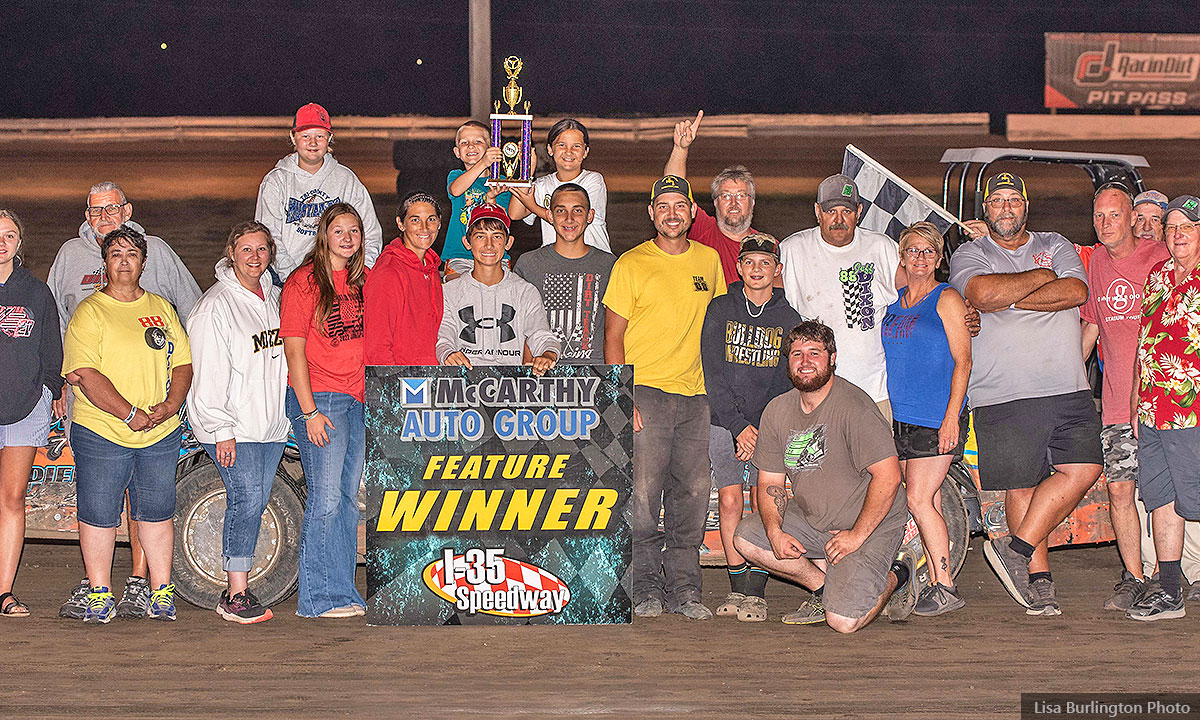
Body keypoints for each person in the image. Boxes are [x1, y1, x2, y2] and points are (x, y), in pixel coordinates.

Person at [950, 172, 1102, 617]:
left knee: (1086, 467)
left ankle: (1014, 550)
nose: (1006, 208)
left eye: (1013, 200)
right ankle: (1038, 580)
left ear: (1026, 206)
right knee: (1023, 485)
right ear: (985, 209)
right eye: (997, 201)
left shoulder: (1055, 242)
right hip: (1003, 391)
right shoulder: (971, 252)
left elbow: (1075, 291)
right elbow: (981, 293)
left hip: (1068, 385)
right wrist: (1039, 277)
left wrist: (1008, 298)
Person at [49, 180, 201, 619]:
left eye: (112, 209)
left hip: (156, 423)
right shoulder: (73, 269)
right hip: (97, 417)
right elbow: (59, 332)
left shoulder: (160, 271)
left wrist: (171, 403)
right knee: (99, 505)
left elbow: (189, 330)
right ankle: (98, 588)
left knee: (152, 507)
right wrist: (59, 381)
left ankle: (147, 584)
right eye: (95, 211)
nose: (104, 218)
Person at [732, 320, 920, 633]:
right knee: (746, 538)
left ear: (832, 359)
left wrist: (856, 535)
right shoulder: (777, 411)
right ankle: (823, 590)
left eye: (815, 353)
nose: (805, 361)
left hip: (869, 524)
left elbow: (889, 478)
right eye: (797, 354)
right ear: (788, 362)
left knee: (843, 622)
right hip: (815, 521)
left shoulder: (854, 406)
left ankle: (898, 574)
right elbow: (769, 483)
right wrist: (775, 532)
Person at [603, 175, 726, 620]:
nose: (672, 214)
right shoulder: (631, 263)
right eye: (663, 206)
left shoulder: (709, 261)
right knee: (641, 497)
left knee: (692, 495)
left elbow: (719, 328)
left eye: (680, 206)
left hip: (696, 396)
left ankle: (686, 589)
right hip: (647, 391)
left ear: (692, 212)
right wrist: (623, 395)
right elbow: (612, 335)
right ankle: (645, 588)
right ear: (651, 213)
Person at [186, 221, 288, 624]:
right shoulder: (215, 306)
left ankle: (235, 589)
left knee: (257, 502)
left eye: (262, 249)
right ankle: (236, 594)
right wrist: (221, 430)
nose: (254, 257)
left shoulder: (275, 298)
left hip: (270, 425)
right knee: (246, 500)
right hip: (232, 426)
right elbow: (208, 374)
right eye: (246, 249)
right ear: (231, 253)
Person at [699, 232, 800, 622]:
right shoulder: (720, 308)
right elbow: (713, 372)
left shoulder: (789, 319)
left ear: (777, 269)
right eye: (750, 263)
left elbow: (785, 380)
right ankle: (737, 585)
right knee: (729, 501)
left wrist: (758, 429)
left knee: (764, 502)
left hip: (768, 427)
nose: (757, 270)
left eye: (765, 263)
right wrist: (738, 426)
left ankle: (756, 593)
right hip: (723, 421)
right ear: (739, 267)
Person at [1078, 184, 1169, 612]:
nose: (1105, 223)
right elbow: (1093, 324)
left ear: (1132, 218)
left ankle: (1167, 575)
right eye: (1099, 216)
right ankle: (1134, 576)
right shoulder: (1096, 261)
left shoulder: (1160, 257)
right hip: (1115, 402)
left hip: (1158, 400)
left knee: (1163, 492)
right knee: (1119, 490)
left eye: (1114, 215)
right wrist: (1068, 378)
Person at [281, 202, 369, 618]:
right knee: (327, 498)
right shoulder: (304, 282)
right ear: (324, 235)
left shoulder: (361, 280)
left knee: (348, 499)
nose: (347, 238)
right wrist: (309, 411)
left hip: (357, 399)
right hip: (321, 399)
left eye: (354, 231)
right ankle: (317, 598)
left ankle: (343, 591)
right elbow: (294, 350)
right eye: (339, 231)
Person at [880, 222, 972, 616]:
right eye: (912, 250)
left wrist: (951, 418)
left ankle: (946, 586)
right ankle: (934, 580)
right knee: (925, 500)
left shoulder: (946, 298)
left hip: (936, 417)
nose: (920, 257)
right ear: (902, 257)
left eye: (928, 251)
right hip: (901, 417)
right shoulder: (893, 303)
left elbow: (964, 361)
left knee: (918, 499)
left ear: (938, 259)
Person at [1126, 195, 1200, 621]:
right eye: (1171, 227)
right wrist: (1137, 398)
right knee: (1162, 498)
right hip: (1154, 411)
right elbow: (1145, 341)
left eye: (1187, 226)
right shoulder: (1157, 276)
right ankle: (1170, 591)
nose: (1177, 234)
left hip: (1193, 411)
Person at [779, 175, 903, 421]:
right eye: (830, 211)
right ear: (817, 211)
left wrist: (958, 308)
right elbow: (764, 298)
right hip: (814, 392)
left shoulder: (882, 247)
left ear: (859, 212)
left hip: (873, 391)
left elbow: (919, 294)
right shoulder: (792, 249)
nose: (838, 219)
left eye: (846, 211)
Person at [0, 210, 63, 617]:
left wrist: (49, 390)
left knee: (12, 498)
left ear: (19, 243)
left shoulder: (36, 292)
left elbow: (51, 350)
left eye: (9, 235)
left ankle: (3, 591)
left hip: (24, 407)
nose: (1, 242)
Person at [255, 102, 383, 280]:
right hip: (287, 277)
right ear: (293, 137)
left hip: (338, 277)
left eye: (320, 136)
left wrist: (360, 273)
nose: (313, 143)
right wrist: (294, 278)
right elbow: (268, 236)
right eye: (305, 136)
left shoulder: (346, 179)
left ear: (329, 138)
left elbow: (370, 232)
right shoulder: (276, 181)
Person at [436, 204, 559, 373]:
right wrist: (447, 353)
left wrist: (548, 354)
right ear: (467, 242)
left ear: (508, 243)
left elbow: (541, 334)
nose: (489, 245)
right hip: (464, 382)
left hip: (510, 383)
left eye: (497, 236)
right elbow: (444, 337)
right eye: (480, 236)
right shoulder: (449, 292)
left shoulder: (525, 291)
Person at [513, 183, 615, 365]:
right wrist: (525, 372)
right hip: (541, 371)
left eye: (578, 211)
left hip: (594, 373)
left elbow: (615, 331)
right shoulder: (528, 264)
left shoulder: (609, 265)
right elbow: (520, 327)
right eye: (561, 211)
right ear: (550, 216)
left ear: (590, 216)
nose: (569, 219)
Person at [665, 110, 759, 286]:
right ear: (715, 202)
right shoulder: (702, 229)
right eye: (726, 196)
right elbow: (673, 190)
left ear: (752, 202)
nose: (733, 203)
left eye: (741, 195)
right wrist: (680, 149)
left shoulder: (765, 246)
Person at [364, 192, 444, 365]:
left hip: (432, 374)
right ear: (401, 224)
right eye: (415, 220)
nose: (424, 228)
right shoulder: (388, 272)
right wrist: (391, 380)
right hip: (403, 377)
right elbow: (377, 346)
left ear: (439, 223)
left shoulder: (431, 267)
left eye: (431, 219)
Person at [508, 119, 611, 252]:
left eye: (576, 146)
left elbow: (575, 220)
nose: (569, 152)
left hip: (593, 258)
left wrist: (532, 205)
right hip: (556, 261)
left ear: (585, 152)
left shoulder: (593, 180)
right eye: (562, 145)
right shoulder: (542, 184)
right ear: (550, 149)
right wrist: (526, 171)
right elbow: (515, 214)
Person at [443, 120, 512, 278]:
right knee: (458, 288)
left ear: (490, 149)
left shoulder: (500, 181)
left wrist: (491, 198)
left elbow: (501, 219)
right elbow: (456, 190)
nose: (471, 146)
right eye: (464, 142)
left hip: (494, 254)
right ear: (457, 152)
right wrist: (483, 163)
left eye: (478, 142)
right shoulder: (456, 176)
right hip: (459, 254)